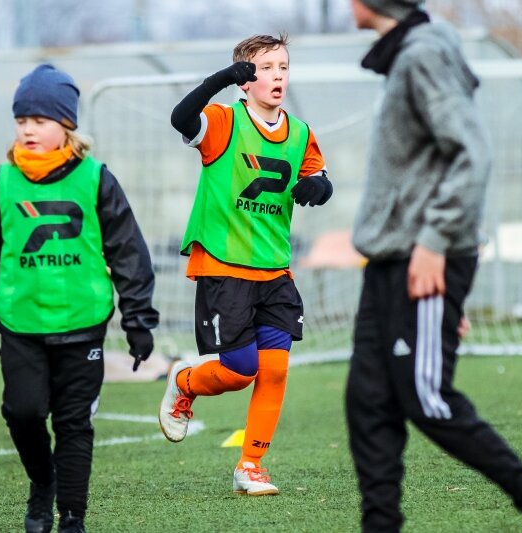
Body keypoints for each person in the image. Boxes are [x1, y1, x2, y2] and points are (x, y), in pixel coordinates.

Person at [345, 1, 522, 532]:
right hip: (390, 259)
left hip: (423, 256)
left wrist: (435, 244)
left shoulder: (423, 55)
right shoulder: (405, 56)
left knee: (428, 399)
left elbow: (472, 153)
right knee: (368, 402)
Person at [0, 64, 159, 533]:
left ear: (66, 125)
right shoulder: (1, 182)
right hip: (21, 323)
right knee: (23, 413)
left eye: (40, 120)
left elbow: (128, 252)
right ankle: (42, 482)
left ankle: (72, 518)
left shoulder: (96, 179)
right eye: (21, 120)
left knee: (74, 425)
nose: (28, 130)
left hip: (82, 323)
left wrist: (138, 320)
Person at [158, 33, 333, 496]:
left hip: (275, 271)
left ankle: (250, 466)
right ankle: (184, 382)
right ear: (245, 80)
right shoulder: (223, 121)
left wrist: (319, 188)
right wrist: (220, 79)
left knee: (274, 370)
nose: (277, 76)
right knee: (239, 371)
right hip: (225, 268)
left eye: (283, 67)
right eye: (266, 68)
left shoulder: (300, 132)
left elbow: (319, 175)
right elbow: (180, 118)